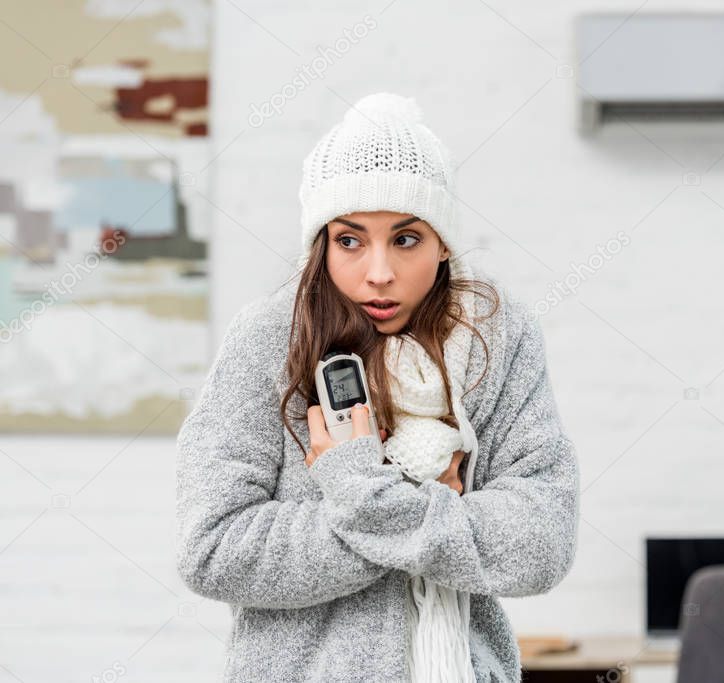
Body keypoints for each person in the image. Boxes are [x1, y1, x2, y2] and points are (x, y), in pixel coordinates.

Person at [174, 91, 580, 682]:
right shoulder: (268, 339)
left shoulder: (499, 338)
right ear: (322, 245)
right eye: (350, 240)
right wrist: (426, 512)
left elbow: (539, 544)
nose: (379, 272)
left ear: (442, 245)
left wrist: (360, 490)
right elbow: (212, 549)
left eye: (407, 238)